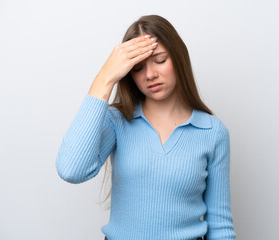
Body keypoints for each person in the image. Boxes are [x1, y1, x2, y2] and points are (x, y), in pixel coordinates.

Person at [56, 15, 236, 240]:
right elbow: (71, 169)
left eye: (160, 60)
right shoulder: (117, 120)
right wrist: (105, 78)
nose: (150, 75)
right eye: (138, 68)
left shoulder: (212, 132)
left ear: (178, 58)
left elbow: (220, 226)